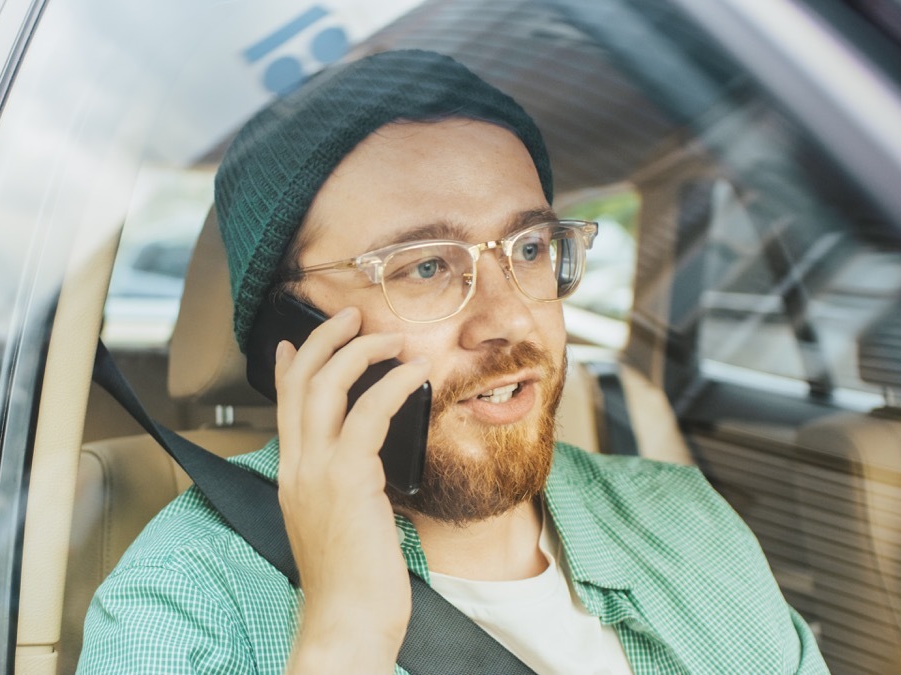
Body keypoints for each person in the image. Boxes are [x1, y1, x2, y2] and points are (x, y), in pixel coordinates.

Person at [78, 49, 827, 674]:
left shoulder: (687, 522)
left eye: (530, 249)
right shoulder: (180, 601)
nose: (508, 319)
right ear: (292, 330)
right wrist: (343, 636)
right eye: (425, 267)